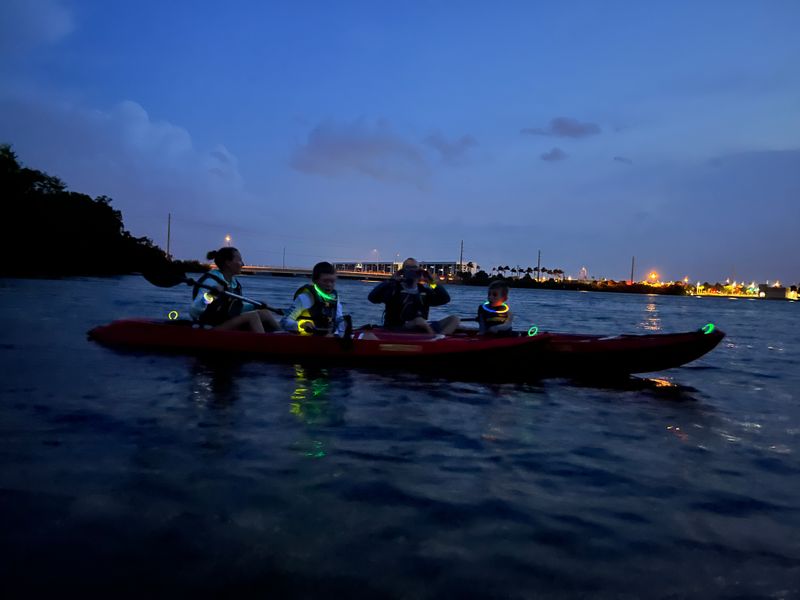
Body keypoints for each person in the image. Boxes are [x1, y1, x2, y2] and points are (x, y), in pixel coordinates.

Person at [190, 247, 280, 333]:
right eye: (240, 260)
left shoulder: (234, 283)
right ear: (228, 263)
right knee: (252, 316)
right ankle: (264, 345)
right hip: (209, 327)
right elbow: (194, 311)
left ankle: (283, 335)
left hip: (225, 322)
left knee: (265, 313)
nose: (243, 264)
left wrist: (254, 306)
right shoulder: (211, 281)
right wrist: (211, 295)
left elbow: (236, 307)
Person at [368, 257, 460, 334]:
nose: (411, 271)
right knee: (419, 321)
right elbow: (372, 298)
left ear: (419, 271)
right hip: (398, 329)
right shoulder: (394, 289)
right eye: (408, 268)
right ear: (403, 271)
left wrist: (431, 282)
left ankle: (438, 341)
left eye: (414, 268)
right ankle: (432, 338)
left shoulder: (424, 292)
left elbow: (445, 299)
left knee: (454, 319)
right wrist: (391, 280)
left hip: (421, 329)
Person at [282, 262, 349, 336]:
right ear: (315, 280)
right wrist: (302, 325)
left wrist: (344, 326)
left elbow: (338, 319)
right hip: (306, 339)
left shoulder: (334, 298)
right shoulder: (305, 297)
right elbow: (284, 322)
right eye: (325, 281)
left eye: (332, 281)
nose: (329, 285)